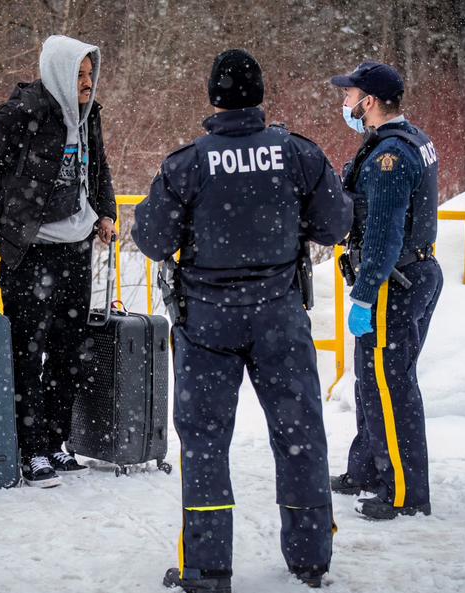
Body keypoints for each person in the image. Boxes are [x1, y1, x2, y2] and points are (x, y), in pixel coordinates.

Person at [132, 49, 352, 592]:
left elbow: (153, 239)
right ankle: (310, 557)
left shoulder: (187, 163)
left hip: (206, 321)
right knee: (298, 433)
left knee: (205, 441)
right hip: (280, 315)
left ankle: (207, 569)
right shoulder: (297, 153)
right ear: (259, 95)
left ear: (213, 98)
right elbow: (334, 224)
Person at [0, 35, 117, 488]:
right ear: (60, 75)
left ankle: (55, 442)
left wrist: (106, 212)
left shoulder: (90, 115)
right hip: (30, 250)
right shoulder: (22, 114)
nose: (87, 84)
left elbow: (98, 167)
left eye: (90, 74)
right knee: (27, 350)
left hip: (77, 246)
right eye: (79, 76)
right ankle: (30, 450)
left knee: (69, 348)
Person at [328, 61, 443, 520]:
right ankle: (368, 469)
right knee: (370, 381)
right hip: (412, 272)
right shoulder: (407, 138)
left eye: (349, 95)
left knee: (391, 388)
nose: (344, 103)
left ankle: (404, 492)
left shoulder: (389, 157)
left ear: (368, 102)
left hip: (393, 283)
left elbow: (384, 233)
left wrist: (364, 292)